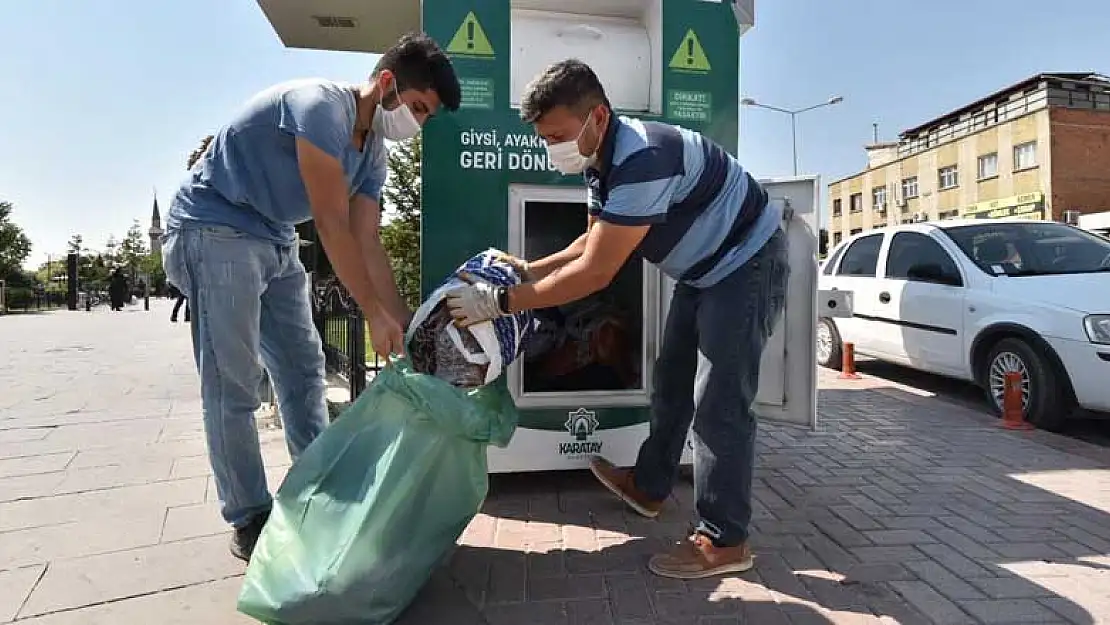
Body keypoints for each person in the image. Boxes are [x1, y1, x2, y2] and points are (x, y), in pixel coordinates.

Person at [446, 59, 789, 580]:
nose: (550, 148)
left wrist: (502, 302)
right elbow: (591, 241)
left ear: (597, 117)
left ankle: (725, 540)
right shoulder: (599, 162)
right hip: (705, 272)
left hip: (747, 264)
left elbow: (597, 273)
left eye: (557, 135)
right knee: (671, 379)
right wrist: (529, 269)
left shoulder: (643, 160)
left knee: (719, 402)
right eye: (544, 138)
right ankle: (650, 487)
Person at [161, 32, 461, 562]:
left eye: (427, 117)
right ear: (386, 84)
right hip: (215, 224)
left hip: (274, 235)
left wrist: (407, 328)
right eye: (417, 108)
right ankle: (249, 514)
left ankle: (318, 487)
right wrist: (371, 313)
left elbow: (369, 242)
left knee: (304, 369)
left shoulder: (372, 156)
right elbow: (331, 223)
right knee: (233, 381)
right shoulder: (321, 108)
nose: (417, 124)